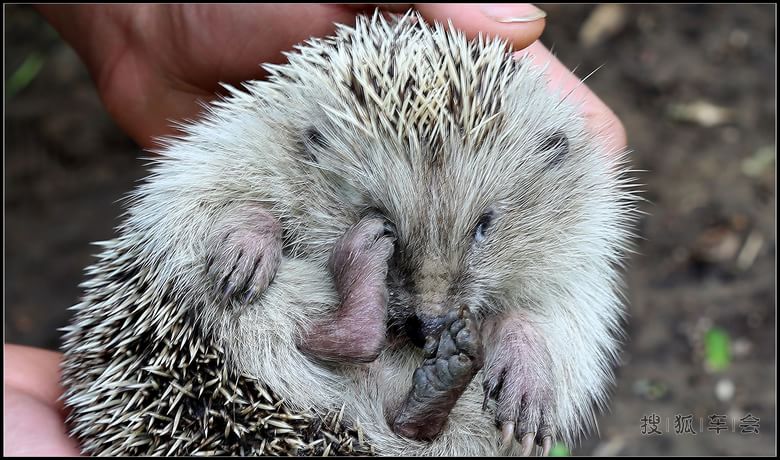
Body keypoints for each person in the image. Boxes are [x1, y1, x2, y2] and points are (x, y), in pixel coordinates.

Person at [4, 4, 626, 456]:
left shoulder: (565, 182)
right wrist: (250, 220)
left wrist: (519, 335)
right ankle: (350, 347)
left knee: (520, 348)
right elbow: (192, 213)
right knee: (217, 283)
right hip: (263, 381)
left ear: (550, 163)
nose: (431, 309)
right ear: (314, 148)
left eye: (481, 228)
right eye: (381, 218)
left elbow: (567, 310)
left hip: (384, 419)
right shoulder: (277, 137)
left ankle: (370, 363)